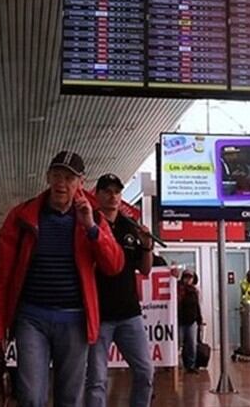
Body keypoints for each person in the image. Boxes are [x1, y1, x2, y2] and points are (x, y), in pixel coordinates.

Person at [0, 151, 124, 407]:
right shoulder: (22, 217)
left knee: (69, 399)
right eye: (57, 176)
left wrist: (91, 229)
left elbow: (114, 265)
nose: (62, 183)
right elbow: (1, 277)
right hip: (31, 319)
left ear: (80, 182)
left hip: (75, 322)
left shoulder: (93, 217)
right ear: (47, 177)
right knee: (30, 397)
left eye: (69, 178)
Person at [86, 173, 155, 407]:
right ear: (97, 195)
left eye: (117, 192)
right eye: (107, 191)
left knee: (145, 372)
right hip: (99, 315)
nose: (113, 196)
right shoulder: (89, 224)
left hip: (129, 313)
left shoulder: (131, 226)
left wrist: (147, 246)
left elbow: (145, 269)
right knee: (96, 380)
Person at [178, 270, 203, 374]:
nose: (188, 279)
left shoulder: (194, 291)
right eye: (186, 277)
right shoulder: (178, 289)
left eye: (190, 277)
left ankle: (191, 366)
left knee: (192, 345)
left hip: (192, 322)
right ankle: (177, 365)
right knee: (178, 345)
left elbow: (197, 307)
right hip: (180, 322)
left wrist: (200, 321)